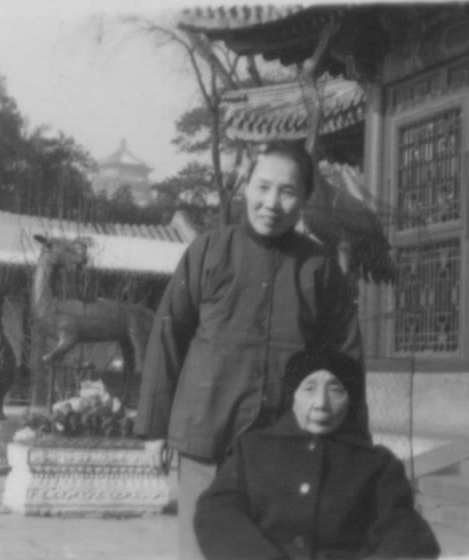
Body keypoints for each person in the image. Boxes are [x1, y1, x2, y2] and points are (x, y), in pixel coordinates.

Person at [134, 142, 366, 559]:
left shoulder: (319, 267)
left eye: (287, 191)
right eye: (263, 187)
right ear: (245, 186)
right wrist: (154, 428)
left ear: (304, 197)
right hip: (206, 437)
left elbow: (345, 362)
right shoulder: (208, 251)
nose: (272, 203)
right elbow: (168, 334)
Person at [194, 349, 440, 560]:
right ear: (292, 397)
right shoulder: (252, 450)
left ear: (351, 400)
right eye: (309, 389)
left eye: (336, 391)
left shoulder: (377, 465)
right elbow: (217, 513)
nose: (321, 403)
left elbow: (404, 533)